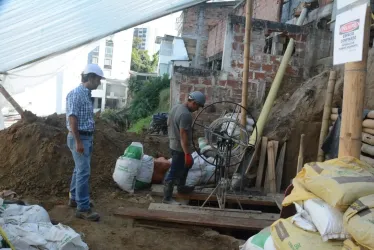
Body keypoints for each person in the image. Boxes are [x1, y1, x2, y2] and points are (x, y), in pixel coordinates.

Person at [66, 64, 105, 221]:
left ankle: (75, 198)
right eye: (98, 79)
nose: (99, 83)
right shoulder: (76, 94)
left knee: (79, 170)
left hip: (85, 136)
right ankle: (82, 208)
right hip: (79, 137)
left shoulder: (86, 93)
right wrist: (78, 141)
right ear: (90, 78)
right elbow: (72, 118)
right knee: (83, 172)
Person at [163, 91, 206, 205]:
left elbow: (168, 122)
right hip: (179, 148)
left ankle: (181, 187)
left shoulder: (176, 107)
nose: (197, 110)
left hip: (173, 144)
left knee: (187, 164)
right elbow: (183, 135)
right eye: (198, 106)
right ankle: (167, 198)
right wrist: (187, 153)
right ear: (194, 103)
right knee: (174, 171)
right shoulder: (186, 115)